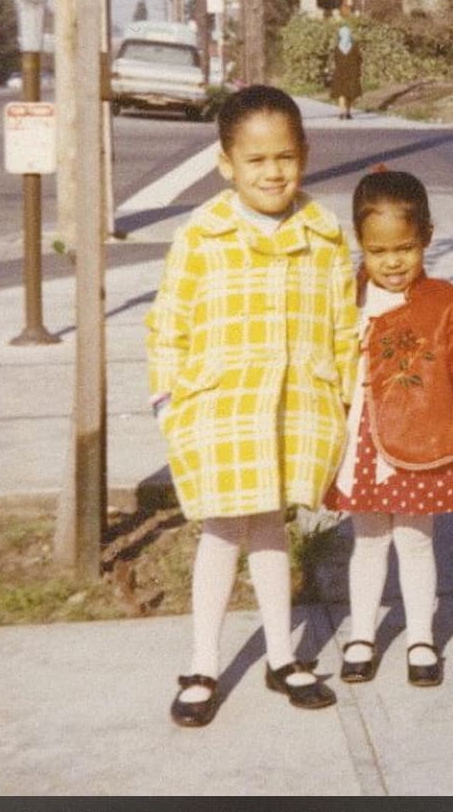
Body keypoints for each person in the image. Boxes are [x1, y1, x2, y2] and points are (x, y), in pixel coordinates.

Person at [146, 84, 357, 727]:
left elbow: (343, 326)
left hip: (294, 405)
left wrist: (345, 398)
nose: (272, 172)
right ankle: (203, 663)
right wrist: (167, 400)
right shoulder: (202, 234)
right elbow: (169, 322)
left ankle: (281, 656)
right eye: (256, 160)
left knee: (270, 527)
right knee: (220, 531)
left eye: (285, 157)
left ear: (304, 155)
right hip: (220, 407)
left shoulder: (324, 234)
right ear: (226, 163)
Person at [324, 168, 453, 686]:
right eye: (377, 251)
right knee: (368, 541)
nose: (392, 262)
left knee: (415, 540)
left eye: (404, 248)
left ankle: (421, 637)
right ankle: (362, 635)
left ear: (425, 237)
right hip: (360, 443)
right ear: (360, 243)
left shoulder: (447, 303)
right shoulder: (346, 297)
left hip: (419, 443)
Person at [330, 20, 363, 120]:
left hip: (340, 73)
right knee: (350, 93)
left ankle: (341, 112)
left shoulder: (337, 48)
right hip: (352, 72)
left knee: (341, 93)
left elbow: (335, 59)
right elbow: (359, 59)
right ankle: (348, 112)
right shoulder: (355, 46)